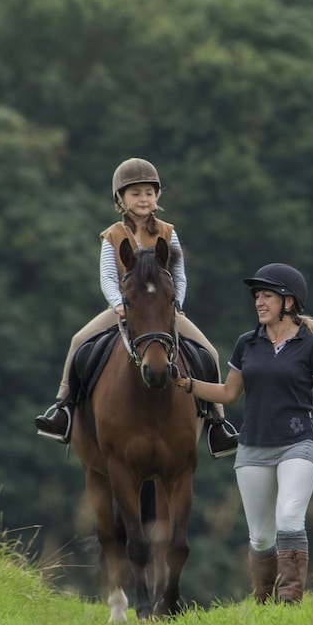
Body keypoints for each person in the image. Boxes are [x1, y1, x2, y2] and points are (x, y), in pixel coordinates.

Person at [174, 262, 313, 604]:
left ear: (289, 302)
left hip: (299, 443)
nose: (259, 302)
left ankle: (290, 600)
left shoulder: (312, 345)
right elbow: (228, 394)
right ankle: (265, 603)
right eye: (257, 296)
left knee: (290, 516)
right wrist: (187, 384)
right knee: (261, 538)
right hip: (253, 448)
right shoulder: (246, 344)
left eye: (267, 296)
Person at [34, 157, 239, 458]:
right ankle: (63, 408)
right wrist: (118, 304)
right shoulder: (113, 235)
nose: (143, 199)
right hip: (124, 311)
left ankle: (217, 423)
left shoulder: (168, 233)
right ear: (121, 198)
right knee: (78, 341)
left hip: (163, 313)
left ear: (156, 197)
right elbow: (106, 276)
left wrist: (176, 305)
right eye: (136, 193)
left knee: (210, 352)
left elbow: (179, 275)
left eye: (149, 192)